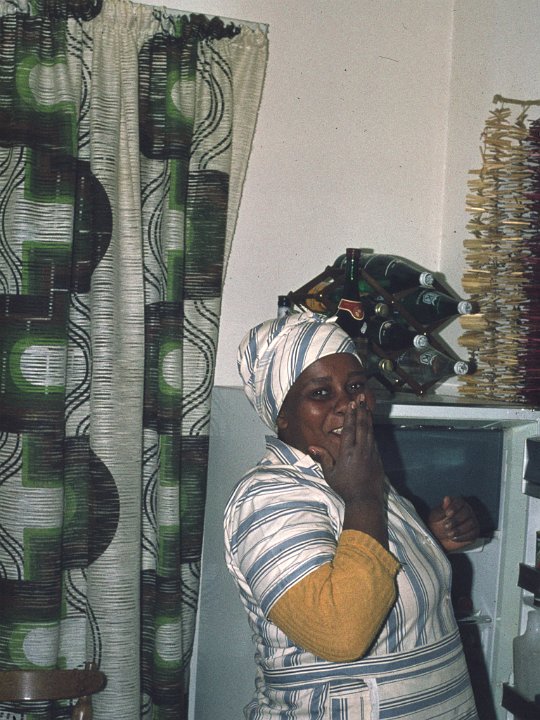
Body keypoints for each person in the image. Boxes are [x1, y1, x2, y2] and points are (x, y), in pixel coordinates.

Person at [224, 310, 480, 720]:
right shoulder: (266, 496)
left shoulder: (354, 474)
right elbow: (341, 632)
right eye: (320, 393)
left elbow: (367, 565)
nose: (349, 403)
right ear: (282, 414)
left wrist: (429, 539)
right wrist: (363, 497)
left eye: (356, 386)